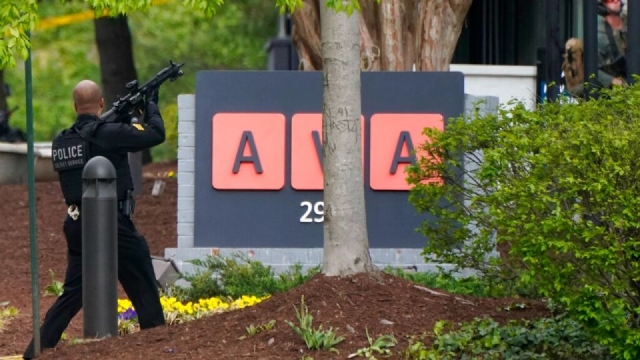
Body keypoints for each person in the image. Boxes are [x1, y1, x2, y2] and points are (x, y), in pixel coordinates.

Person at [23, 80, 166, 359]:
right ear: (101, 103)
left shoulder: (62, 140)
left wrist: (122, 119)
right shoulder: (109, 133)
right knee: (141, 276)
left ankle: (36, 350)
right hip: (111, 223)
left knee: (75, 291)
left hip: (76, 222)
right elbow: (155, 134)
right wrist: (149, 105)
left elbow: (90, 152)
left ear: (75, 107)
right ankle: (157, 340)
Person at [562, 0, 627, 98]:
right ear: (602, 5)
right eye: (610, 0)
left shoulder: (630, 27)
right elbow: (592, 70)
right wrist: (614, 81)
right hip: (612, 92)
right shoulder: (598, 35)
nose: (616, 1)